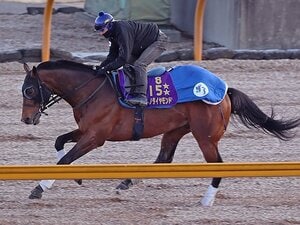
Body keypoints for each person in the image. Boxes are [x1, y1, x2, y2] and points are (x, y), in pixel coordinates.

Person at [94, 11, 168, 106]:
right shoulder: (112, 35)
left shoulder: (122, 30)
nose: (101, 34)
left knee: (139, 64)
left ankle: (141, 96)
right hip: (141, 44)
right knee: (128, 65)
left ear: (110, 25)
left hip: (157, 40)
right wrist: (101, 67)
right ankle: (132, 92)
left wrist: (106, 69)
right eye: (99, 31)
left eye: (102, 30)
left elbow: (123, 58)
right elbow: (112, 56)